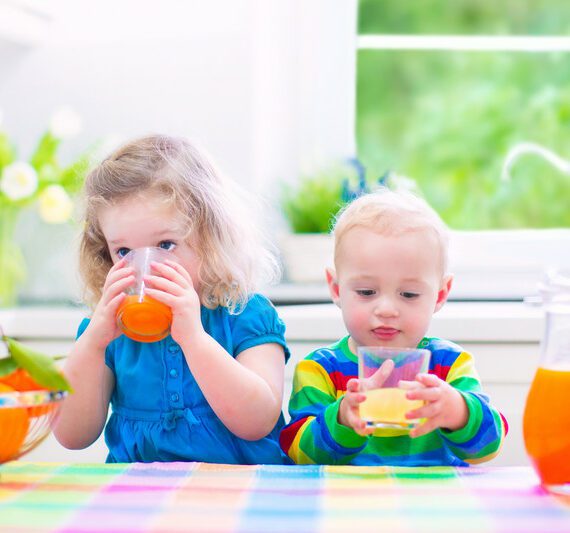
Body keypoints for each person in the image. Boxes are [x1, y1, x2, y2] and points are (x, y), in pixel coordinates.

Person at [54, 134, 290, 464]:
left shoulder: (245, 314)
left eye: (165, 245)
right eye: (123, 251)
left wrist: (193, 338)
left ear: (210, 237)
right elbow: (72, 436)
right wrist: (93, 342)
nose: (144, 268)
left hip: (238, 493)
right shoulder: (105, 332)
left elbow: (258, 422)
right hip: (139, 498)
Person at [280, 188, 507, 466]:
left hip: (435, 504)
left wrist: (458, 411)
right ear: (336, 288)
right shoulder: (320, 369)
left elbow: (488, 448)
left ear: (440, 294)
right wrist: (342, 419)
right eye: (366, 292)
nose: (386, 310)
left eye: (409, 294)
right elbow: (299, 454)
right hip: (345, 504)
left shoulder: (449, 365)